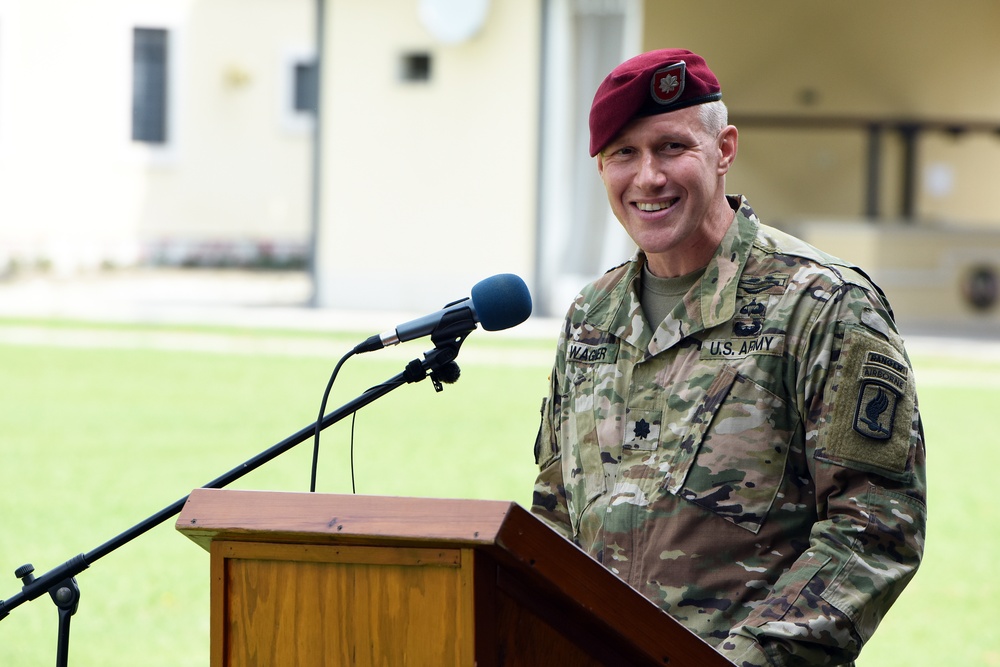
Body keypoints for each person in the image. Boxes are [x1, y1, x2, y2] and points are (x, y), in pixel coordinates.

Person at [530, 48, 926, 667]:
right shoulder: (593, 314)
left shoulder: (822, 305)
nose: (648, 177)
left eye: (671, 147)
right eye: (623, 154)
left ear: (724, 150)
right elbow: (555, 514)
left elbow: (874, 529)